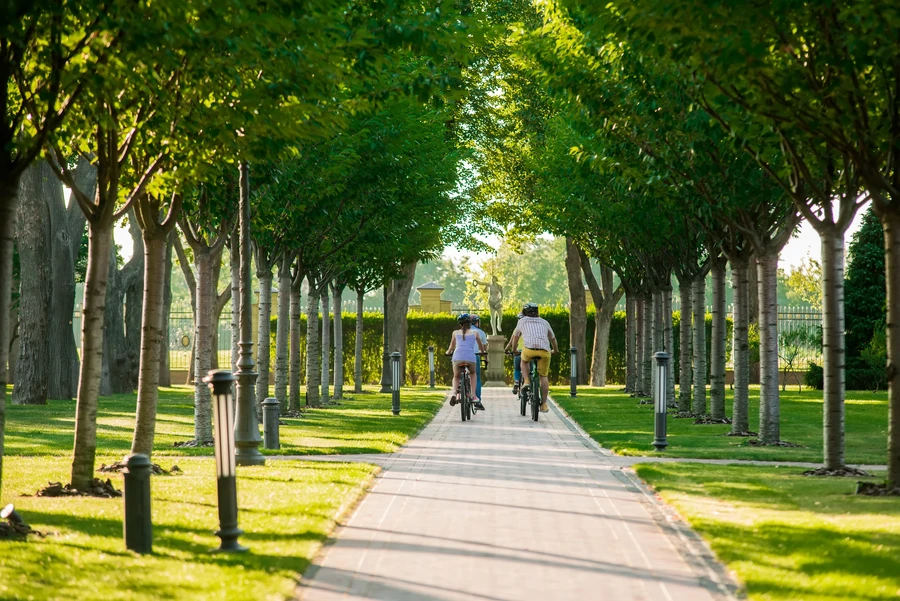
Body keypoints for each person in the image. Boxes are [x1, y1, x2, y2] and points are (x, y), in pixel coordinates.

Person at [505, 303, 559, 412]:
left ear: (524, 313)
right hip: (544, 351)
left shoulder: (522, 321)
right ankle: (543, 404)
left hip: (528, 350)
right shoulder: (545, 322)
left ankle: (526, 381)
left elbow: (515, 337)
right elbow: (552, 338)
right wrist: (555, 350)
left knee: (524, 362)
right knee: (543, 376)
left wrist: (514, 349)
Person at [446, 313, 487, 410]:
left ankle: (454, 394)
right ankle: (473, 395)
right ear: (470, 323)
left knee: (456, 376)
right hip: (470, 357)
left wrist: (447, 352)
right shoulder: (475, 333)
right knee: (473, 373)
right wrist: (482, 352)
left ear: (460, 324)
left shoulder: (455, 333)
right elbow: (481, 347)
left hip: (457, 357)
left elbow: (451, 347)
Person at [470, 315, 488, 400]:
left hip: (461, 357)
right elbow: (484, 349)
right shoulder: (481, 332)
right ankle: (477, 399)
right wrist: (486, 359)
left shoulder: (461, 332)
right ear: (477, 322)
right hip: (474, 356)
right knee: (476, 377)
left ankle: (460, 390)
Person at [511, 313, 524, 395]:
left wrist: (513, 350)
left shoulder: (517, 329)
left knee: (517, 368)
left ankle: (516, 381)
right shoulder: (529, 328)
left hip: (519, 351)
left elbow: (512, 341)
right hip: (529, 351)